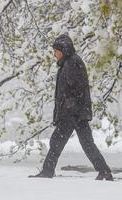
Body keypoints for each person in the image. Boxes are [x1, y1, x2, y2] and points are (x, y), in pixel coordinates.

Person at [28, 34, 113, 181]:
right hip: (76, 112)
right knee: (87, 144)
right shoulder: (68, 63)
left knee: (57, 141)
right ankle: (104, 171)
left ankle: (48, 171)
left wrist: (69, 109)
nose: (54, 54)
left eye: (56, 50)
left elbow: (78, 89)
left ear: (64, 49)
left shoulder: (71, 63)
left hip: (72, 113)